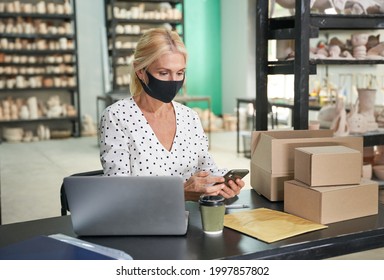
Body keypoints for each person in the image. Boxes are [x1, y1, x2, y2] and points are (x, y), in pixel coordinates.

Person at [99, 28, 245, 201]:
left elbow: (207, 169)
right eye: (163, 73)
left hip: (193, 216)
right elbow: (118, 192)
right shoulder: (117, 116)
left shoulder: (189, 117)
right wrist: (180, 193)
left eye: (180, 73)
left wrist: (221, 184)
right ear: (140, 71)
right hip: (144, 222)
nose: (173, 81)